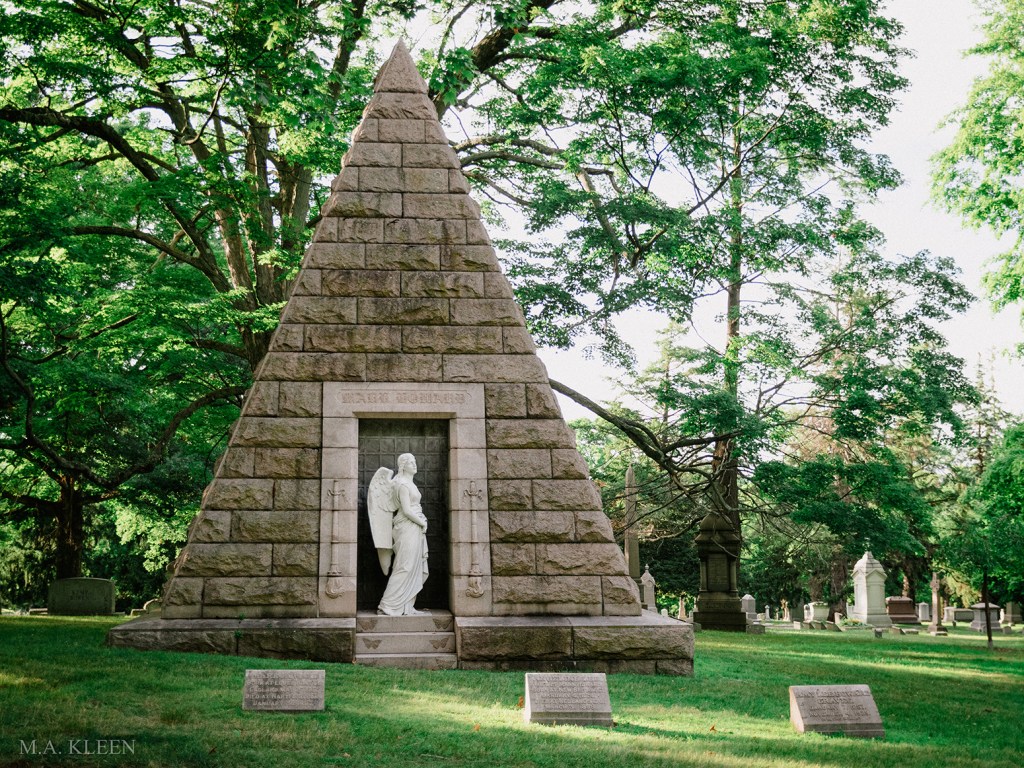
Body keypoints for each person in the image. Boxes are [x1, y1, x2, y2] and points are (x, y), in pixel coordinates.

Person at [376, 453, 429, 616]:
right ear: (403, 466)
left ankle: (407, 607)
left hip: (414, 527)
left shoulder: (409, 484)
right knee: (404, 566)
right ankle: (387, 604)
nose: (415, 464)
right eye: (411, 462)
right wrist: (422, 522)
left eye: (415, 461)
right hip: (406, 527)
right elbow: (406, 510)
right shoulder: (403, 484)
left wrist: (420, 520)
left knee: (414, 566)